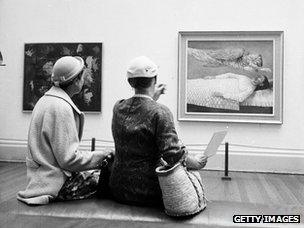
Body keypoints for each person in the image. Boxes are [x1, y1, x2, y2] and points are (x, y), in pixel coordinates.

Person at [109, 56, 208, 207]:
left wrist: (152, 97)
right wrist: (196, 162)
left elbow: (140, 109)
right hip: (148, 191)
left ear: (130, 82)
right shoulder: (161, 112)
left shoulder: (118, 107)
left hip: (117, 188)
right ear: (155, 79)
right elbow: (173, 155)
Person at [17, 56, 113, 205]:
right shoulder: (61, 107)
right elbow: (69, 160)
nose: (84, 81)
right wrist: (103, 156)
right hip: (57, 185)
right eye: (82, 77)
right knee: (110, 177)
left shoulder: (45, 100)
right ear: (75, 81)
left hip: (39, 180)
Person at [205, 73, 270, 102]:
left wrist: (222, 95)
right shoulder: (245, 77)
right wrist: (214, 77)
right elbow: (230, 75)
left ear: (261, 84)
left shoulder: (250, 89)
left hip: (220, 89)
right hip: (218, 82)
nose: (257, 78)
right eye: (258, 76)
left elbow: (240, 98)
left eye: (260, 79)